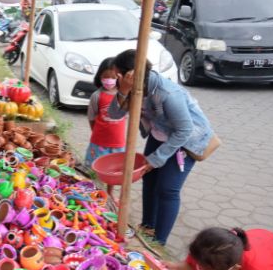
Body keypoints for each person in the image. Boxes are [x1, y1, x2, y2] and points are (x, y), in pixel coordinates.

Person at [108, 49, 215, 245]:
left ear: (131, 73)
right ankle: (148, 226)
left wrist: (157, 158)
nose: (115, 78)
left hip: (186, 141)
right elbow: (114, 115)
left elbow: (184, 130)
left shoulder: (167, 93)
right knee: (149, 179)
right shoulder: (131, 85)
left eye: (118, 74)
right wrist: (123, 90)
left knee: (167, 189)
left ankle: (159, 241)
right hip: (160, 134)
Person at [85, 57, 126, 200]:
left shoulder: (124, 96)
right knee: (97, 169)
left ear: (119, 77)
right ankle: (96, 192)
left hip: (118, 143)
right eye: (105, 77)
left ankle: (109, 194)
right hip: (99, 142)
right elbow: (91, 117)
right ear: (99, 77)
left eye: (112, 77)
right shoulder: (96, 96)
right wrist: (96, 133)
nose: (108, 80)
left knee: (113, 171)